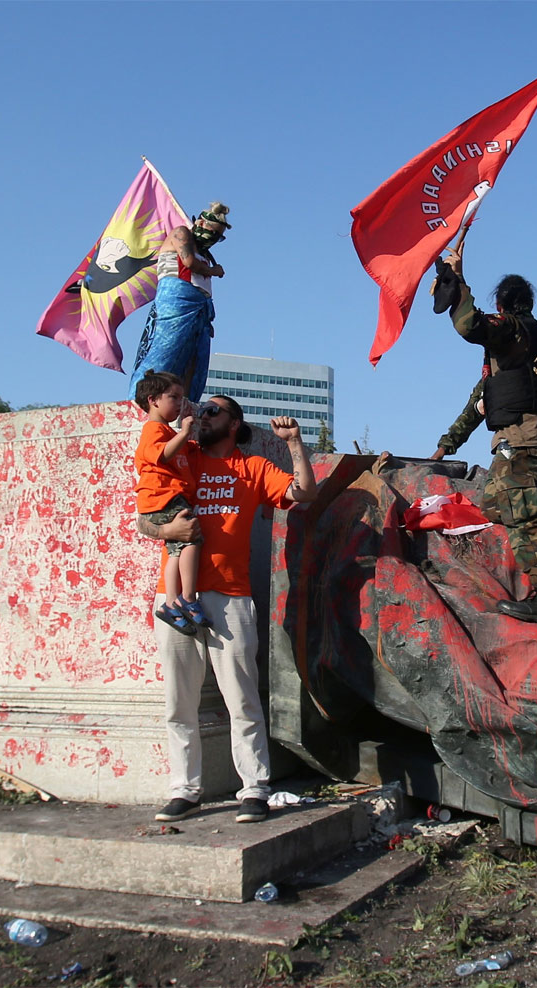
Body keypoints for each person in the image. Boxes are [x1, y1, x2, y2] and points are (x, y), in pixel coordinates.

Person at [137, 398, 317, 822]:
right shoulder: (182, 456)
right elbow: (144, 518)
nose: (203, 416)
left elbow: (305, 492)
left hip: (231, 597)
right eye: (202, 410)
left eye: (213, 411)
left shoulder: (253, 467)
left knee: (242, 698)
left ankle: (254, 788)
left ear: (234, 423)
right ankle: (185, 789)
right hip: (175, 596)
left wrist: (294, 444)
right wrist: (169, 530)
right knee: (178, 702)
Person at [434, 253, 537, 628]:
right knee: (495, 503)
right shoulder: (532, 342)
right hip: (525, 436)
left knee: (524, 511)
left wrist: (458, 283)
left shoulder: (513, 329)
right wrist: (447, 445)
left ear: (501, 306)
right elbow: (480, 403)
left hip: (522, 438)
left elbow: (468, 325)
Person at [133, 371, 211, 636]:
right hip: (163, 497)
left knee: (175, 551)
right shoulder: (154, 430)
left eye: (181, 397)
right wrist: (185, 432)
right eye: (173, 397)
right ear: (153, 400)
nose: (179, 403)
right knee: (191, 540)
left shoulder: (165, 431)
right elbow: (163, 455)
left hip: (165, 498)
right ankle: (187, 597)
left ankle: (170, 601)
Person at [128, 202, 231, 403]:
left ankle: (185, 403)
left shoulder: (206, 253)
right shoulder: (181, 233)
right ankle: (140, 401)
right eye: (212, 232)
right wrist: (213, 271)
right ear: (200, 222)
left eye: (218, 236)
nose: (213, 239)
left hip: (201, 308)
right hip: (176, 300)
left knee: (195, 359)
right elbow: (188, 262)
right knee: (164, 352)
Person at [429, 372, 537, 500]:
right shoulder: (490, 379)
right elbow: (470, 416)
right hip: (508, 447)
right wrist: (444, 448)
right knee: (496, 500)